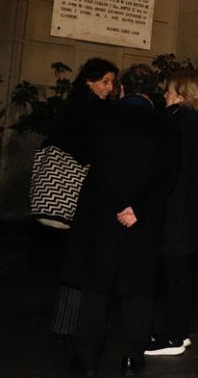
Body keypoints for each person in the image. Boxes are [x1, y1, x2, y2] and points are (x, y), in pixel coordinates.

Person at [63, 64, 179, 376]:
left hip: (102, 216)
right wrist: (137, 208)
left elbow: (93, 165)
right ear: (151, 91)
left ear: (123, 88)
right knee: (139, 289)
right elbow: (168, 176)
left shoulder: (101, 118)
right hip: (142, 220)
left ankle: (86, 356)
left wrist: (117, 205)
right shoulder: (165, 126)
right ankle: (133, 355)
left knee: (97, 288)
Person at [48, 57, 118, 338]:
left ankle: (69, 320)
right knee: (83, 257)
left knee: (79, 257)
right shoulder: (89, 110)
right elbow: (84, 147)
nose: (110, 88)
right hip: (82, 190)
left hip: (83, 192)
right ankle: (76, 322)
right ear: (89, 81)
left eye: (112, 82)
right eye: (105, 81)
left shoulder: (83, 106)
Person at [144, 71, 198, 357]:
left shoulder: (176, 123)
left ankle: (173, 337)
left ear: (182, 94)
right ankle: (179, 332)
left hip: (176, 209)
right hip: (191, 207)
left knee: (174, 276)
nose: (164, 95)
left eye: (169, 91)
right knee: (181, 276)